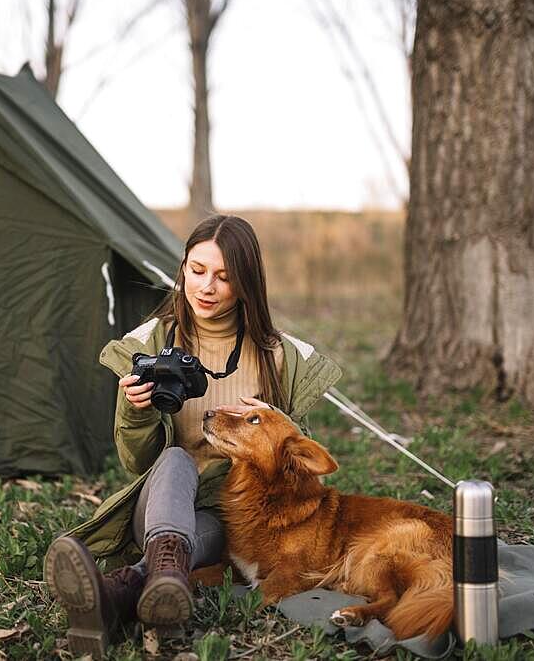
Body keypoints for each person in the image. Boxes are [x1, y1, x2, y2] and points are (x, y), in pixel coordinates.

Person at [44, 215, 341, 658]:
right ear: (182, 267)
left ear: (246, 284)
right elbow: (136, 464)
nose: (206, 287)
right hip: (165, 494)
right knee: (176, 460)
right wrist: (135, 409)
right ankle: (158, 583)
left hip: (233, 513)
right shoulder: (151, 342)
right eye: (197, 270)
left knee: (196, 537)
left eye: (224, 277)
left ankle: (117, 596)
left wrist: (275, 418)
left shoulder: (279, 356)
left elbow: (292, 470)